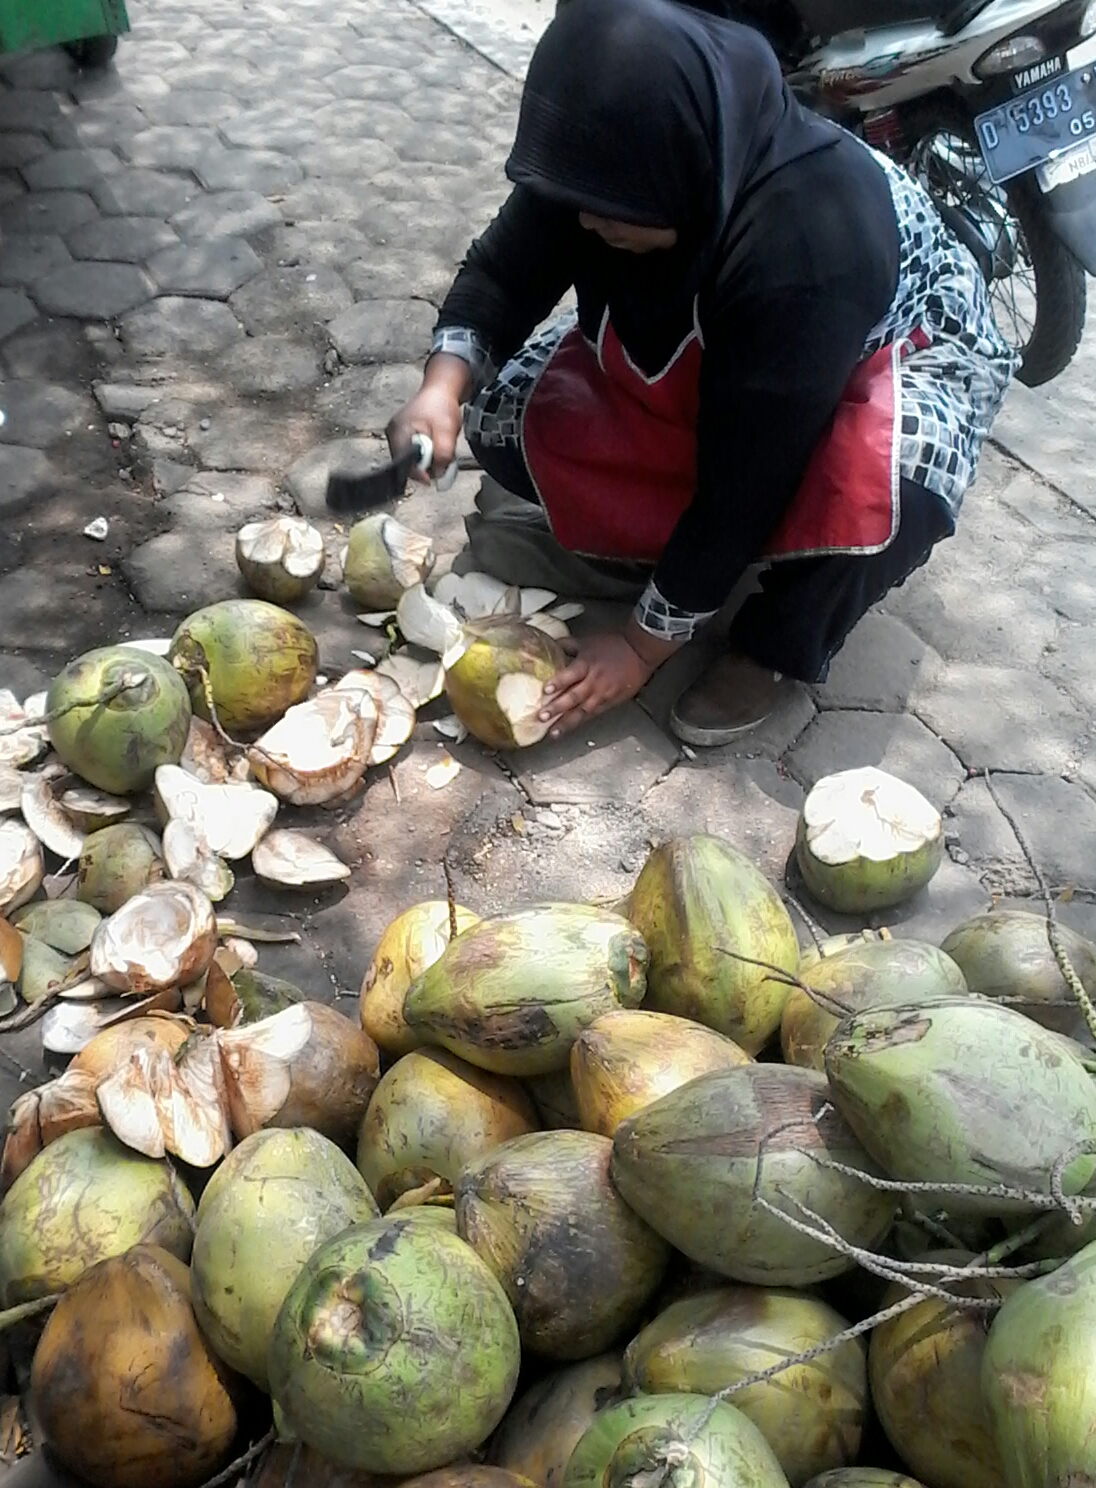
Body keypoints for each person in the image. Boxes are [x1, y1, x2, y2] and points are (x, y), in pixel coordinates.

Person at [386, 0, 1017, 746]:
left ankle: (770, 642)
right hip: (744, 365)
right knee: (502, 417)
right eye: (576, 208)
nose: (584, 225)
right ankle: (661, 567)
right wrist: (442, 388)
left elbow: (748, 480)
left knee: (889, 492)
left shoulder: (805, 237)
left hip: (890, 353)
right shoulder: (615, 147)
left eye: (608, 215)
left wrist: (639, 648)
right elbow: (503, 273)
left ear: (687, 174)